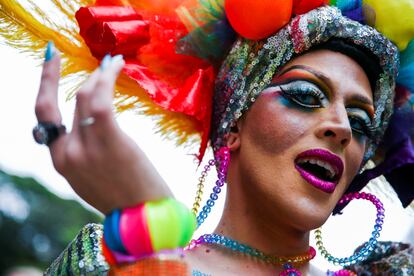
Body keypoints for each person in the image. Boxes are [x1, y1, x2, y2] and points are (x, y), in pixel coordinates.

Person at [1, 0, 413, 275]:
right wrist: (151, 239)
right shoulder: (108, 261)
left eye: (361, 122)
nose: (341, 127)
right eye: (306, 95)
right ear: (232, 123)